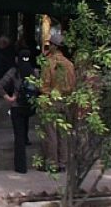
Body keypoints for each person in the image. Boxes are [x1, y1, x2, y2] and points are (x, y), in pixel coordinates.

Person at [0, 49, 38, 173]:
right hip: (30, 106)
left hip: (17, 105)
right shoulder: (35, 72)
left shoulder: (14, 71)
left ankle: (21, 167)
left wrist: (8, 98)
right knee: (24, 123)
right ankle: (26, 139)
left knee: (18, 137)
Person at [41, 33, 75, 171]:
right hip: (66, 101)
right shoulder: (70, 64)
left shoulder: (49, 63)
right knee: (63, 134)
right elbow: (73, 84)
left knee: (51, 134)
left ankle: (52, 163)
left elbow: (44, 85)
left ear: (54, 46)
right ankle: (63, 163)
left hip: (52, 100)